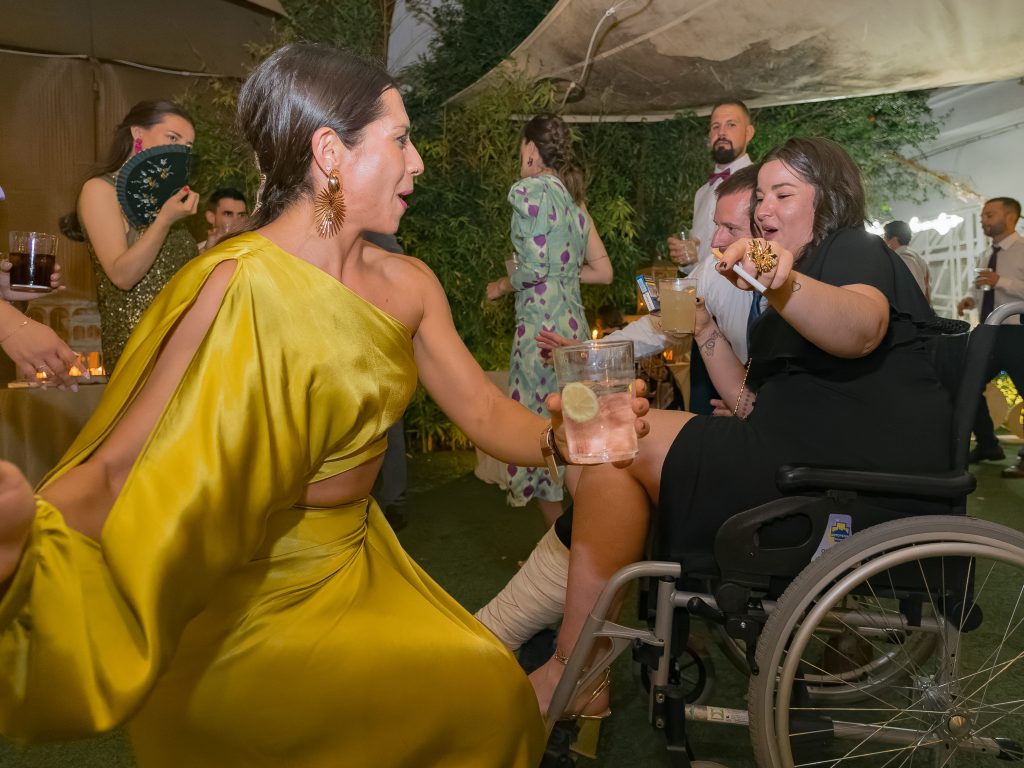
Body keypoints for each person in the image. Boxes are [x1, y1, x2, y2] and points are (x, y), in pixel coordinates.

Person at [0, 44, 651, 766]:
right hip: (249, 606)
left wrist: (564, 435)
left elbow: (489, 415)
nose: (419, 164)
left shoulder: (409, 284)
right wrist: (25, 547)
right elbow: (120, 470)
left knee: (489, 694)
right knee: (477, 695)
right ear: (330, 151)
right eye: (400, 141)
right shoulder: (236, 285)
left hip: (358, 565)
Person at [528, 137, 949, 717]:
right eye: (761, 200)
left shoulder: (853, 249)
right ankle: (576, 660)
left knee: (623, 444)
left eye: (783, 193)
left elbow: (862, 329)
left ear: (828, 201)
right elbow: (750, 403)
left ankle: (572, 669)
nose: (764, 210)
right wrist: (702, 328)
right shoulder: (799, 281)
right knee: (615, 453)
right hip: (797, 460)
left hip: (844, 481)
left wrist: (776, 279)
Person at [476, 165, 761, 652]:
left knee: (615, 445)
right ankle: (579, 633)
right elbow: (661, 323)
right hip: (733, 421)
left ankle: (556, 644)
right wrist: (592, 349)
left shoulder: (798, 281)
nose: (713, 239)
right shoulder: (714, 270)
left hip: (762, 449)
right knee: (598, 455)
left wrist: (752, 404)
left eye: (730, 229)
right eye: (715, 225)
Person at [485, 113, 613, 527]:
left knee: (540, 432)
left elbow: (532, 269)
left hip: (539, 331)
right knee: (570, 428)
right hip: (571, 328)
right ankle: (582, 540)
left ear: (531, 148)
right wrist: (562, 276)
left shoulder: (528, 191)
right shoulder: (576, 204)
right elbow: (603, 271)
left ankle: (559, 549)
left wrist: (502, 286)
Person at [60, 100, 201, 372]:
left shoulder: (168, 200)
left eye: (187, 146)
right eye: (173, 138)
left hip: (181, 342)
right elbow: (122, 276)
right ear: (137, 134)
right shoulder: (99, 190)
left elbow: (171, 267)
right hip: (137, 346)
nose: (180, 150)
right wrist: (165, 220)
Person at [956, 197, 1024, 473]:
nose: (983, 220)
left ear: (1010, 218)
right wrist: (970, 299)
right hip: (990, 334)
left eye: (989, 214)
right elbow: (984, 290)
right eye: (983, 215)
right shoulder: (987, 254)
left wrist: (1001, 282)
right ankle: (987, 445)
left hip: (1019, 334)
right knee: (965, 383)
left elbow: (1002, 285)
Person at [667, 99, 755, 269]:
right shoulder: (701, 193)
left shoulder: (760, 184)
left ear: (749, 133)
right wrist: (687, 257)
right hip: (703, 294)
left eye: (731, 125)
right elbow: (699, 264)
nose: (721, 132)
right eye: (715, 126)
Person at [883, 219, 930, 300]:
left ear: (894, 239)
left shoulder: (903, 258)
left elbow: (907, 291)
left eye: (885, 237)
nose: (884, 241)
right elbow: (927, 289)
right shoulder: (918, 257)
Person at [198, 187, 248, 253]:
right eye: (228, 214)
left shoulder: (255, 247)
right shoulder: (195, 253)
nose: (236, 221)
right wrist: (207, 251)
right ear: (211, 217)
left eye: (241, 215)